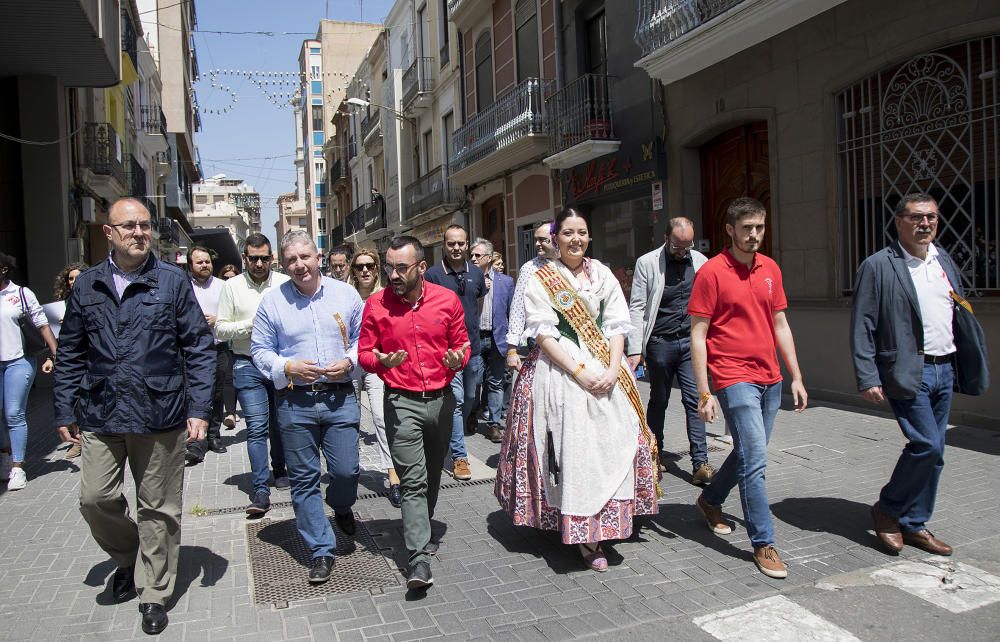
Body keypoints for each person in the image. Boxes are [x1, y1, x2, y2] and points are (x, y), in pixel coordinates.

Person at [53, 197, 214, 635]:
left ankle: (155, 592)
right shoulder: (86, 285)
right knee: (95, 500)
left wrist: (200, 410)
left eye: (144, 225)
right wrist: (64, 407)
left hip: (160, 412)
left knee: (157, 508)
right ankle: (129, 558)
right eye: (129, 226)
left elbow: (198, 348)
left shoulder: (172, 282)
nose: (139, 232)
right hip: (102, 410)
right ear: (109, 233)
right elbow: (69, 351)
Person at [495, 209, 659, 572]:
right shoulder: (542, 276)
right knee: (573, 448)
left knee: (617, 438)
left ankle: (606, 518)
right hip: (560, 369)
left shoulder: (602, 273)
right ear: (555, 239)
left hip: (606, 365)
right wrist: (580, 373)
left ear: (589, 236)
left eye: (581, 232)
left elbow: (617, 324)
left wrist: (616, 368)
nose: (575, 239)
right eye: (567, 233)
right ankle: (585, 533)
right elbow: (543, 333)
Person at [852, 193, 988, 557]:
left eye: (931, 217)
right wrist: (867, 375)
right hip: (907, 370)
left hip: (946, 366)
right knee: (925, 444)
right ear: (899, 222)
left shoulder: (943, 260)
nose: (925, 223)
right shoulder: (879, 265)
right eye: (916, 217)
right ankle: (888, 509)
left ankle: (914, 523)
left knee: (937, 450)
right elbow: (863, 323)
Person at [688, 197, 807, 580]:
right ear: (730, 230)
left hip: (770, 378)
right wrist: (704, 392)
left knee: (746, 452)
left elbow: (781, 325)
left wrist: (797, 376)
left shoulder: (770, 268)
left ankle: (710, 500)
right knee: (755, 461)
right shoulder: (712, 273)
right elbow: (698, 334)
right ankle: (763, 542)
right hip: (732, 376)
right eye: (747, 228)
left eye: (759, 227)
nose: (754, 235)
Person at [251, 231, 363, 585]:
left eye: (305, 257)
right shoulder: (272, 302)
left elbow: (365, 339)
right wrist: (286, 368)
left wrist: (350, 361)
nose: (299, 265)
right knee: (303, 480)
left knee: (346, 471)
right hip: (294, 402)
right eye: (291, 260)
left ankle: (342, 504)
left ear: (319, 257)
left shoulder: (346, 294)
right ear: (283, 265)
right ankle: (320, 549)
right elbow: (259, 351)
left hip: (339, 397)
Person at [359, 236, 469, 590]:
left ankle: (423, 521)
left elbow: (462, 344)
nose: (393, 274)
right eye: (388, 266)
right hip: (401, 402)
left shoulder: (447, 300)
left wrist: (458, 358)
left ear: (421, 267)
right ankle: (418, 558)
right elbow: (363, 353)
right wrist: (379, 361)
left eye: (401, 267)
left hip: (441, 400)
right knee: (413, 480)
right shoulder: (376, 305)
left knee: (433, 473)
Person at [627, 217, 714, 484]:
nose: (683, 251)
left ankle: (700, 463)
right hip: (660, 343)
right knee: (660, 399)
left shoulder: (701, 262)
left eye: (687, 246)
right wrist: (635, 348)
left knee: (695, 399)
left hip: (690, 343)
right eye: (678, 246)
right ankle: (654, 455)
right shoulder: (647, 263)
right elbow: (638, 306)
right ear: (666, 238)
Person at [216, 233, 291, 515]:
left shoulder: (285, 283)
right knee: (257, 427)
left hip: (279, 364)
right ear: (244, 258)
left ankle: (280, 468)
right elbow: (220, 329)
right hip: (247, 364)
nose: (259, 263)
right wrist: (250, 325)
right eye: (253, 258)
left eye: (264, 258)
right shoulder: (231, 287)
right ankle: (260, 488)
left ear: (271, 258)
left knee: (280, 422)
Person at [424, 225, 486, 481]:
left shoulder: (477, 274)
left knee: (471, 397)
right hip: (448, 352)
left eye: (461, 243)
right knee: (458, 401)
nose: (457, 248)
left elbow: (478, 306)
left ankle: (449, 436)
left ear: (467, 244)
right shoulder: (433, 275)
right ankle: (460, 457)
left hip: (473, 348)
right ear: (444, 245)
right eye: (452, 244)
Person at [1, 252, 59, 489]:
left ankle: (17, 467)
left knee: (13, 413)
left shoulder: (20, 294)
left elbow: (41, 323)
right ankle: (5, 455)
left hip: (19, 361)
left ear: (4, 269)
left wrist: (55, 353)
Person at [349, 248, 402, 508]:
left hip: (378, 362)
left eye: (370, 265)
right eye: (359, 267)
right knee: (351, 418)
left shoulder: (386, 297)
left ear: (377, 267)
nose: (365, 270)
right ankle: (349, 470)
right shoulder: (345, 296)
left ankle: (393, 477)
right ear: (353, 271)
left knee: (382, 417)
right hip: (351, 363)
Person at [185, 245, 229, 463]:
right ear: (190, 265)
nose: (204, 265)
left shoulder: (223, 286)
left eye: (207, 262)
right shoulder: (183, 287)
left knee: (217, 393)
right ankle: (195, 441)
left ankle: (214, 435)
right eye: (199, 262)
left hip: (218, 347)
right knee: (194, 393)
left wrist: (217, 319)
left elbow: (232, 314)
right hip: (191, 350)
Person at [470, 238, 514, 443]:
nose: (473, 258)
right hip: (475, 338)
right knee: (475, 380)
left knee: (495, 382)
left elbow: (512, 312)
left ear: (488, 257)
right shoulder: (467, 279)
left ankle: (494, 424)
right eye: (472, 255)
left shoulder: (506, 282)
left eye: (477, 255)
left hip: (497, 339)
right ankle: (471, 414)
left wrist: (513, 341)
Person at [505, 221, 559, 373]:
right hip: (540, 338)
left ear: (556, 238)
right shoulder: (529, 269)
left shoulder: (569, 264)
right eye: (536, 239)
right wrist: (512, 349)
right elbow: (518, 307)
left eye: (542, 239)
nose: (537, 244)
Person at [51, 261, 88, 459]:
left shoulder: (92, 299)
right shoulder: (62, 303)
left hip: (89, 358)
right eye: (71, 278)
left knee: (83, 400)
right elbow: (62, 340)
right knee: (70, 400)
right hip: (69, 356)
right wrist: (51, 357)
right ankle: (77, 438)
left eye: (78, 277)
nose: (74, 281)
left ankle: (82, 438)